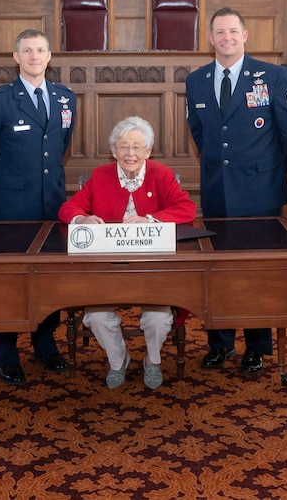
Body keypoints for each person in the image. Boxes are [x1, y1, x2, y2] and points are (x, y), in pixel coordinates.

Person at [185, 7, 287, 376]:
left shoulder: (273, 76)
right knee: (216, 269)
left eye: (233, 31)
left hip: (260, 191)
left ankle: (257, 346)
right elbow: (201, 134)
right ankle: (220, 343)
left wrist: (267, 171)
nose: (227, 38)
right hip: (217, 192)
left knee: (255, 271)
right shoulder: (197, 80)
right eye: (219, 32)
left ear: (245, 34)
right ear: (210, 38)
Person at [58, 116, 196, 390]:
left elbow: (187, 209)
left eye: (137, 147)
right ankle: (118, 360)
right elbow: (68, 209)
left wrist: (151, 219)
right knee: (97, 316)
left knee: (157, 318)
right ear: (114, 151)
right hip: (108, 268)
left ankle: (152, 361)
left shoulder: (161, 174)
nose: (130, 153)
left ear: (148, 151)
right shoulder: (100, 176)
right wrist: (82, 219)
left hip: (152, 267)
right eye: (123, 146)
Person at [0, 29, 74, 385]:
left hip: (52, 204)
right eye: (27, 50)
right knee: (10, 281)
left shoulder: (65, 98)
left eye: (40, 50)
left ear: (49, 56)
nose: (34, 56)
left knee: (50, 279)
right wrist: (6, 181)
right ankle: (6, 354)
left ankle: (45, 346)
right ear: (15, 57)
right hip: (12, 207)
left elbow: (60, 145)